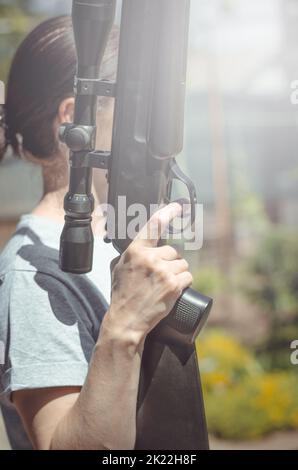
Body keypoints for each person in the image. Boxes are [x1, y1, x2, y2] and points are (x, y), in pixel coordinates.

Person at [0, 16, 193, 450]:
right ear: (75, 118)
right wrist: (123, 326)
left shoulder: (119, 233)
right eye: (131, 103)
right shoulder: (35, 276)